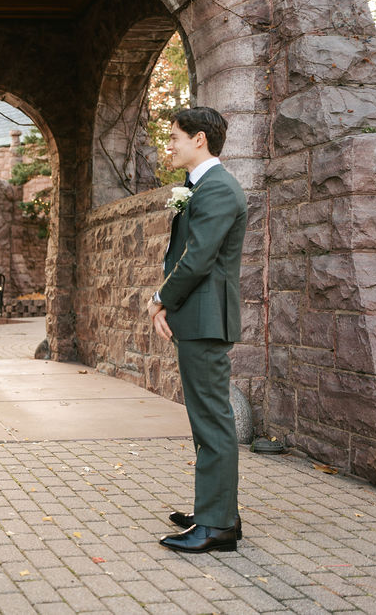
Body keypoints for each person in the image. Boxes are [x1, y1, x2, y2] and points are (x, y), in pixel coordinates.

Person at [147, 106, 247, 554]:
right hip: (199, 317)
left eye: (174, 137)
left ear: (199, 139)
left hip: (207, 320)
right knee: (207, 420)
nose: (169, 145)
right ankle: (217, 508)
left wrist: (160, 300)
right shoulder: (202, 186)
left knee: (212, 423)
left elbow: (199, 259)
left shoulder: (219, 189)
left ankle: (217, 525)